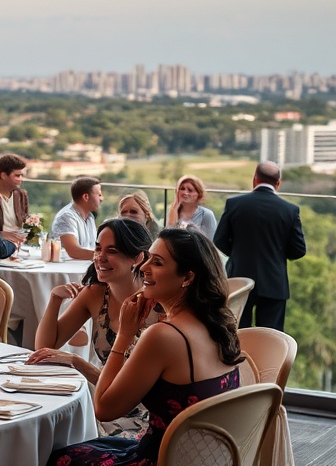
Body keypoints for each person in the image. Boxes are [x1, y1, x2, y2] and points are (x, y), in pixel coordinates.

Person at [46, 228, 243, 466]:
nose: (144, 267)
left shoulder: (163, 335)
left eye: (157, 262)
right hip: (200, 457)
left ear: (188, 278)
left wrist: (125, 335)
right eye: (148, 257)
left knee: (58, 455)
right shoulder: (219, 326)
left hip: (161, 458)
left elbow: (104, 408)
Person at [29, 218, 158, 439]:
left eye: (112, 251)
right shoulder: (95, 295)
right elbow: (44, 347)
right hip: (102, 405)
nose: (100, 257)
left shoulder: (156, 305)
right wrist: (54, 301)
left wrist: (77, 362)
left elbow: (129, 391)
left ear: (137, 258)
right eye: (98, 248)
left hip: (145, 414)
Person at [214, 162, 307, 331]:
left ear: (254, 179)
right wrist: (277, 254)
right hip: (274, 282)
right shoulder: (290, 210)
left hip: (239, 280)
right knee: (271, 339)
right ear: (278, 184)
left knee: (237, 334)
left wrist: (236, 253)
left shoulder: (234, 204)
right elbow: (299, 250)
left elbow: (219, 239)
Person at [49, 176, 103, 260]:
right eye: (99, 195)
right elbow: (74, 251)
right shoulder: (66, 217)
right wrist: (106, 257)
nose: (102, 199)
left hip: (85, 266)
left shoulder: (90, 217)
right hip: (68, 269)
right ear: (86, 197)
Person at [166, 174, 217, 239]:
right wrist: (175, 208)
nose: (185, 192)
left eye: (190, 190)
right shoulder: (173, 211)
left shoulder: (206, 215)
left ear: (199, 194)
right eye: (182, 189)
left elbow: (209, 242)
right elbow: (168, 237)